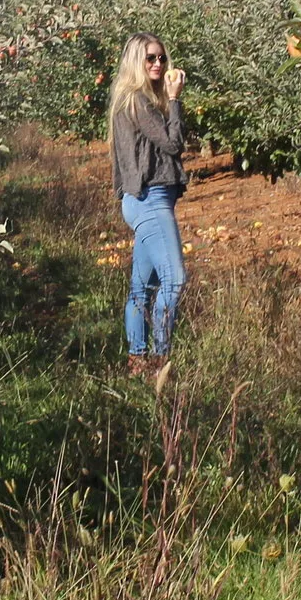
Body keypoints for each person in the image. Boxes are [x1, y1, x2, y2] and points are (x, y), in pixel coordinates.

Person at [107, 31, 185, 374]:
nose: (157, 64)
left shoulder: (129, 99)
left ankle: (137, 359)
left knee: (143, 287)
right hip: (149, 198)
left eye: (161, 58)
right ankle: (159, 357)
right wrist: (175, 99)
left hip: (141, 198)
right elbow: (172, 144)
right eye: (150, 58)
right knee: (175, 280)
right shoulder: (139, 100)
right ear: (136, 62)